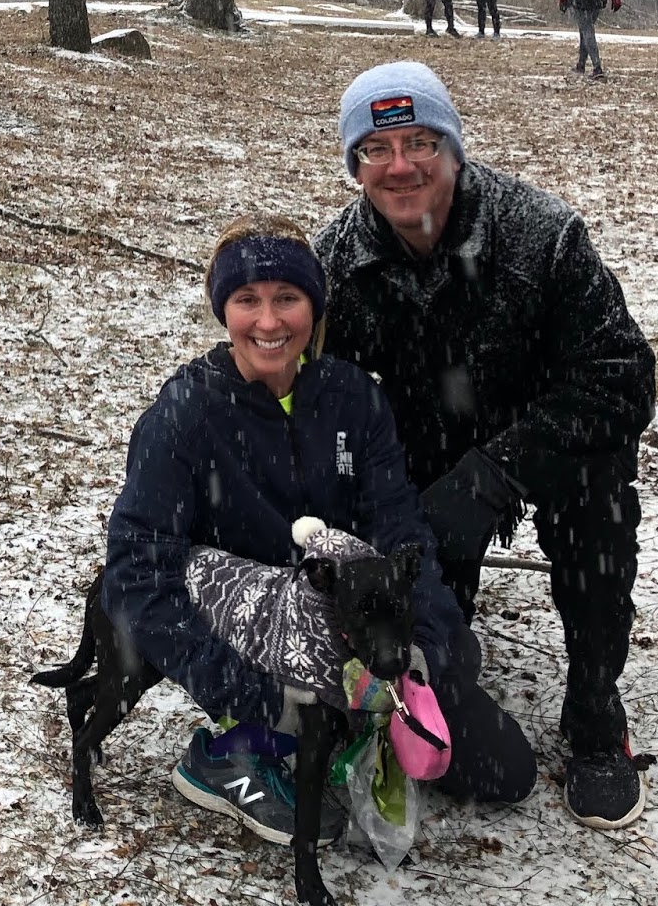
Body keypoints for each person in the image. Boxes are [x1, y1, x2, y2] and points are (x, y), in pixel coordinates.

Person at [102, 213, 535, 850]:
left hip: (355, 627)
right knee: (302, 738)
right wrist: (245, 690)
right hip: (253, 638)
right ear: (223, 310)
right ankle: (232, 749)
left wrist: (427, 645)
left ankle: (340, 721)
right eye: (246, 299)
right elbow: (136, 571)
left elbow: (400, 526)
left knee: (504, 769)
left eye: (287, 298)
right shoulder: (185, 414)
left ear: (314, 306)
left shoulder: (352, 397)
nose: (268, 322)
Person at [315, 62, 656, 830]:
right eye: (376, 149)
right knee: (397, 583)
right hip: (422, 461)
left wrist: (497, 475)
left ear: (454, 150)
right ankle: (407, 682)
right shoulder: (335, 263)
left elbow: (623, 377)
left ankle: (596, 713)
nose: (401, 166)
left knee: (598, 508)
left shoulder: (543, 235)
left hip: (548, 444)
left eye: (421, 142)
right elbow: (314, 404)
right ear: (356, 166)